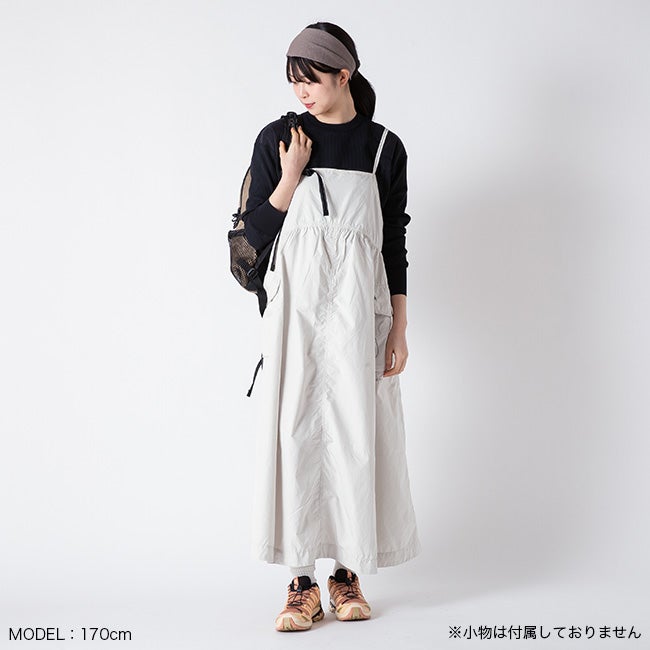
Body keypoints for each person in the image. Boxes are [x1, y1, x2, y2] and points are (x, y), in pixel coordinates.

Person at [242, 22, 421, 632]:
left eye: (311, 79)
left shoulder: (383, 148)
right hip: (294, 318)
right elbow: (246, 246)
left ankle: (346, 574)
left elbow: (393, 243)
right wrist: (290, 177)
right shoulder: (279, 140)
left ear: (344, 74)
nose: (301, 92)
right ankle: (301, 583)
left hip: (358, 317)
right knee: (296, 435)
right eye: (292, 80)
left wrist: (400, 326)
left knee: (354, 435)